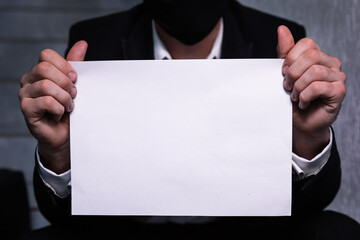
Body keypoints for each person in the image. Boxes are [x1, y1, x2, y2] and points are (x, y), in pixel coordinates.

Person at [18, 0, 360, 239]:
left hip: (245, 231)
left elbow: (315, 203)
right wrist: (58, 152)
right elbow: (60, 216)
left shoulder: (274, 36)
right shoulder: (95, 38)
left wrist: (309, 139)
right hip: (126, 230)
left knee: (337, 230)